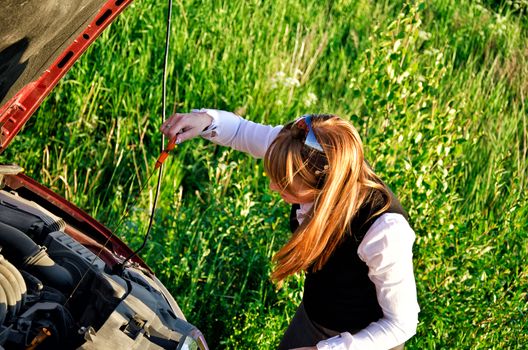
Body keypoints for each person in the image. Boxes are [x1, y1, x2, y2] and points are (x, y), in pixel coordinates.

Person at [160, 109, 420, 350]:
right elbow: (242, 132)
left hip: (365, 341)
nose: (274, 187)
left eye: (285, 183)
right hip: (313, 317)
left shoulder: (384, 230)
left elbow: (401, 323)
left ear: (324, 188)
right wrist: (206, 120)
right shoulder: (304, 146)